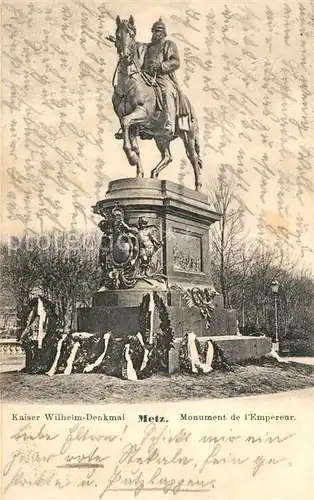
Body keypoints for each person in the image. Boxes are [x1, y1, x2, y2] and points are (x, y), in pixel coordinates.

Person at [115, 18, 181, 139]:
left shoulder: (169, 44)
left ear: (163, 33)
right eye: (154, 31)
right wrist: (119, 41)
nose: (155, 34)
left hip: (163, 77)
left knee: (167, 91)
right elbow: (132, 44)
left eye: (158, 31)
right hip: (147, 76)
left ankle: (170, 124)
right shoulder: (147, 46)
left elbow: (176, 62)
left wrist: (161, 66)